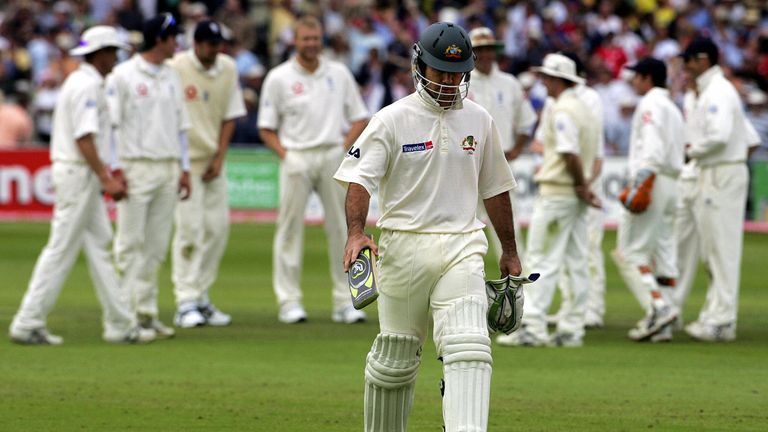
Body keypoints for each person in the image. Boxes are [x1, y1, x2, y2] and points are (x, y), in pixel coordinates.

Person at [335, 21, 521, 432]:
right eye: (440, 72)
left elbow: (495, 188)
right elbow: (359, 179)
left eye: (457, 74)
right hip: (403, 246)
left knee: (470, 348)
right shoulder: (391, 119)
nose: (449, 81)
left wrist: (508, 250)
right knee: (395, 361)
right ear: (420, 66)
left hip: (462, 245)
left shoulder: (480, 119)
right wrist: (355, 232)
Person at [9, 26, 155, 345]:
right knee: (61, 247)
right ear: (100, 54)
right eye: (113, 52)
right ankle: (27, 320)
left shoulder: (83, 81)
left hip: (80, 173)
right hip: (79, 174)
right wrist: (106, 176)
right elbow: (84, 138)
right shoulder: (88, 86)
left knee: (99, 243)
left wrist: (103, 173)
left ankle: (119, 323)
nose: (116, 58)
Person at [258, 15, 369, 324]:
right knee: (289, 229)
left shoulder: (338, 73)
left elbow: (360, 117)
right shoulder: (279, 78)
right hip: (296, 154)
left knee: (343, 229)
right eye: (305, 38)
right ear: (295, 40)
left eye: (315, 38)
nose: (311, 44)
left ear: (321, 39)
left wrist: (343, 149)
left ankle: (345, 301)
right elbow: (266, 128)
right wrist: (286, 155)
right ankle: (289, 301)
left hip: (332, 153)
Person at [500, 53, 600, 348]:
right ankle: (571, 328)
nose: (543, 82)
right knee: (576, 259)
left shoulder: (563, 111)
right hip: (572, 195)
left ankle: (534, 325)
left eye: (547, 77)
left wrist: (581, 185)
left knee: (543, 258)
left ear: (558, 79)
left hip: (559, 193)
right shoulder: (583, 109)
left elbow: (569, 153)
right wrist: (584, 187)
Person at [106, 13, 191, 338]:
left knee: (155, 246)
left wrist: (183, 169)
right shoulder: (123, 75)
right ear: (160, 39)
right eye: (173, 38)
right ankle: (123, 315)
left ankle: (145, 312)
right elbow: (112, 127)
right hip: (134, 166)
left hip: (167, 167)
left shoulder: (172, 75)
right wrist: (115, 168)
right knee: (129, 244)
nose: (177, 43)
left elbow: (182, 127)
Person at [678, 37, 759, 341]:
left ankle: (722, 321)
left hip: (720, 173)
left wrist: (692, 151)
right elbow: (749, 138)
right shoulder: (704, 92)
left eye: (689, 59)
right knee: (711, 251)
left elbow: (722, 136)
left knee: (722, 251)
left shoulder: (719, 91)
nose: (685, 66)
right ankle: (715, 314)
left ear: (702, 60)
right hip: (713, 171)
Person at [168, 20, 246, 328]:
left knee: (216, 230)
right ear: (196, 44)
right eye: (211, 45)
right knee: (189, 231)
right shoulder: (176, 67)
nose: (216, 50)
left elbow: (230, 115)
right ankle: (185, 300)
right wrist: (182, 164)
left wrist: (220, 156)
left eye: (218, 45)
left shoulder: (227, 68)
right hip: (185, 164)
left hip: (214, 162)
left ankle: (201, 296)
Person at [611, 57, 685, 342]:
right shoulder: (672, 107)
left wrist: (641, 183)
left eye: (636, 77)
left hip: (652, 179)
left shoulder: (651, 105)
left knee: (629, 252)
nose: (633, 82)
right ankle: (664, 324)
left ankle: (659, 307)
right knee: (663, 252)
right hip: (672, 181)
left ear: (647, 78)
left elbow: (652, 148)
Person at [467, 26, 537, 262]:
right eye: (479, 50)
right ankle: (465, 279)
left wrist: (516, 150)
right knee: (464, 227)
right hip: (466, 165)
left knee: (508, 227)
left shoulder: (510, 83)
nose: (485, 55)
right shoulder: (461, 82)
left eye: (489, 50)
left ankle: (518, 285)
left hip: (500, 164)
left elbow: (527, 122)